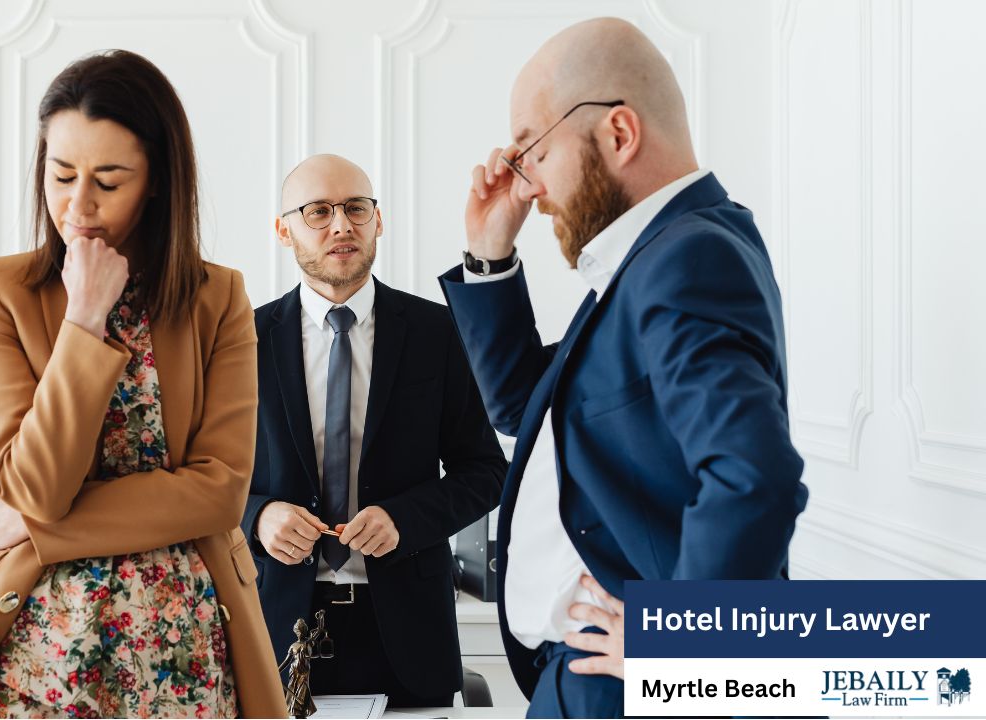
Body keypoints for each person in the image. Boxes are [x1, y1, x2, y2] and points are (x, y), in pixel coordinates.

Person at [438, 18, 809, 718]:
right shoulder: (652, 261)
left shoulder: (685, 259)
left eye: (533, 154)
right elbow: (529, 408)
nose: (531, 189)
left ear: (618, 134)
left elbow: (754, 474)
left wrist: (685, 649)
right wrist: (488, 255)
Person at [0, 50, 284, 718]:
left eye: (108, 180)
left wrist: (38, 529)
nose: (78, 205)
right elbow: (36, 485)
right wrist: (85, 317)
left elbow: (216, 494)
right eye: (61, 175)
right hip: (40, 655)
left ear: (156, 180)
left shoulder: (217, 298)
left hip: (185, 646)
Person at [243, 154, 507, 707]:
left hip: (410, 635)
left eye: (356, 209)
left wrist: (403, 519)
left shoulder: (439, 331)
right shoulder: (241, 341)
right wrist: (259, 516)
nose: (341, 225)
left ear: (378, 221)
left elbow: (485, 473)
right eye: (318, 211)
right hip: (274, 629)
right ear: (283, 229)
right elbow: (205, 478)